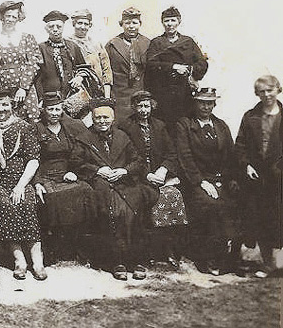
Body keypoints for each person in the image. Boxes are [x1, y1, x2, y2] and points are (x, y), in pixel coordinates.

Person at [75, 98, 158, 281]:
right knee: (114, 212)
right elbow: (76, 163)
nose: (102, 121)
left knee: (133, 210)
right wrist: (97, 170)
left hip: (125, 182)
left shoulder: (122, 137)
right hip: (101, 183)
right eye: (98, 118)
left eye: (106, 117)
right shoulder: (84, 138)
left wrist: (124, 170)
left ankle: (136, 260)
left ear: (112, 119)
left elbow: (137, 161)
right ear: (92, 119)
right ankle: (116, 261)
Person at [119, 91, 188, 267]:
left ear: (152, 107)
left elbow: (171, 153)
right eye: (140, 106)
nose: (144, 110)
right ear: (133, 107)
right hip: (136, 177)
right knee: (143, 201)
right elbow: (125, 157)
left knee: (173, 196)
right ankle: (147, 252)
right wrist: (146, 175)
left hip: (159, 176)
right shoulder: (125, 127)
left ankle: (168, 249)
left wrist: (163, 170)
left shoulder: (159, 126)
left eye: (147, 106)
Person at [175, 88, 238, 275]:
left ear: (214, 104)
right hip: (196, 181)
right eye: (202, 103)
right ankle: (206, 257)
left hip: (221, 179)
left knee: (236, 203)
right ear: (195, 103)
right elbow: (185, 157)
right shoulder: (185, 125)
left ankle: (230, 258)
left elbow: (231, 155)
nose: (205, 107)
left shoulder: (221, 125)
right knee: (210, 206)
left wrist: (231, 179)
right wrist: (201, 182)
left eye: (209, 103)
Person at [0, 88, 45, 280]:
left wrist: (21, 186)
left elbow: (33, 159)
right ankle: (19, 260)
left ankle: (37, 260)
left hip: (21, 178)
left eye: (5, 105)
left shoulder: (23, 127)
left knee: (27, 205)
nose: (1, 108)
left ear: (12, 106)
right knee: (5, 206)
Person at [32, 92, 96, 261]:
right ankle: (52, 248)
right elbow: (32, 158)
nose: (54, 113)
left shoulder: (68, 128)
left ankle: (75, 245)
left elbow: (77, 154)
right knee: (51, 198)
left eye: (57, 109)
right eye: (50, 109)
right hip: (45, 175)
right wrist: (37, 182)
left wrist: (73, 171)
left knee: (86, 191)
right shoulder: (36, 129)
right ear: (44, 110)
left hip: (66, 174)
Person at [235, 75, 283, 277]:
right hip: (256, 179)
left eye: (270, 90)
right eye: (261, 92)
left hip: (279, 178)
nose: (266, 95)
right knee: (258, 218)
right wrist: (246, 165)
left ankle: (278, 264)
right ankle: (261, 262)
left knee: (278, 218)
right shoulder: (250, 117)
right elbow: (240, 145)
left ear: (278, 90)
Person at [145, 6, 209, 132]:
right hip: (162, 93)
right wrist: (173, 67)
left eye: (173, 20)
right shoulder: (157, 42)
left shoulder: (188, 42)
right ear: (162, 23)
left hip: (184, 92)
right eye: (166, 21)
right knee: (163, 127)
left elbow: (202, 63)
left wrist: (189, 69)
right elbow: (150, 65)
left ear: (179, 22)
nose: (170, 24)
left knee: (184, 125)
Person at [0, 1, 43, 122]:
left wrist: (23, 88)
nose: (10, 19)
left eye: (14, 17)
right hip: (1, 89)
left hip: (25, 89)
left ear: (19, 18)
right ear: (2, 17)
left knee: (30, 121)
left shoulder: (27, 38)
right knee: (2, 120)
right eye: (8, 16)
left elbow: (33, 62)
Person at [105, 7, 150, 121]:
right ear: (121, 24)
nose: (131, 26)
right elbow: (106, 71)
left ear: (140, 24)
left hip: (141, 93)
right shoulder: (112, 45)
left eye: (134, 23)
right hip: (119, 95)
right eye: (127, 23)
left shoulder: (148, 43)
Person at [35, 10, 87, 101]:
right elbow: (36, 76)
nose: (55, 29)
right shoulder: (40, 48)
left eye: (59, 26)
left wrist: (79, 77)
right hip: (49, 98)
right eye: (51, 26)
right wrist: (40, 98)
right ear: (46, 29)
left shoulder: (73, 46)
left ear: (63, 28)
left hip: (72, 96)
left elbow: (83, 67)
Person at [66, 9, 113, 98]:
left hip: (97, 90)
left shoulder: (97, 45)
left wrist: (107, 96)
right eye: (79, 23)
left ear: (90, 25)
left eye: (86, 24)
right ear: (73, 24)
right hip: (75, 91)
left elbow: (106, 70)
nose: (82, 27)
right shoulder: (67, 43)